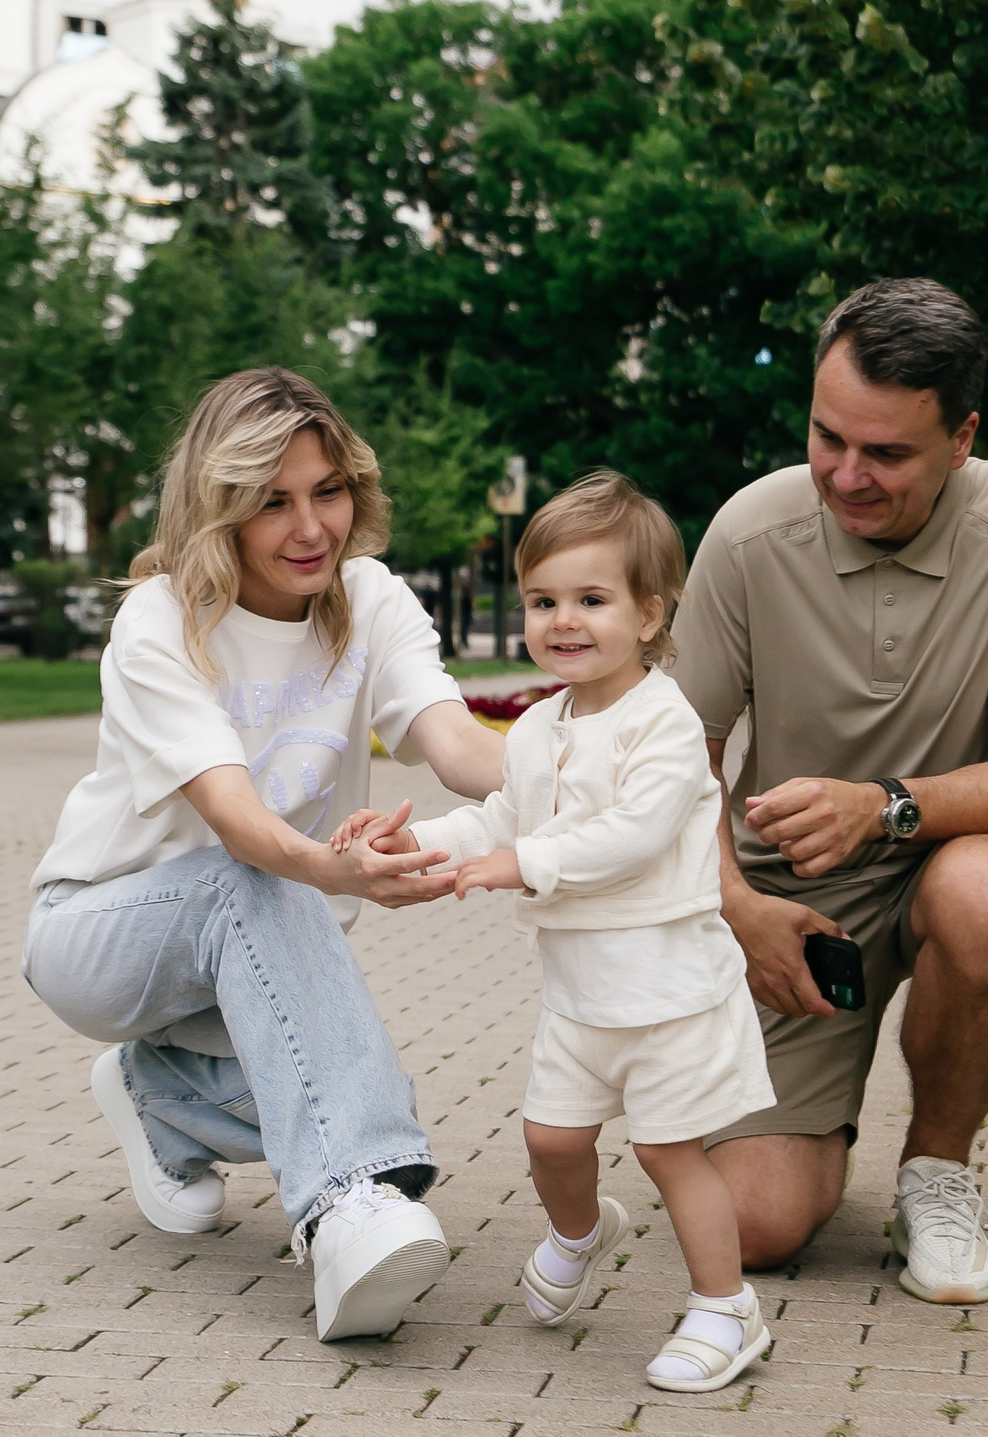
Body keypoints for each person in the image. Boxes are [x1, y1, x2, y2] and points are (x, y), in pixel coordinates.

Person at [20, 368, 508, 1343]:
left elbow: (459, 747)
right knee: (263, 890)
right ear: (218, 511)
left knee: (350, 1089)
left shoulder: (367, 600)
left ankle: (157, 1099)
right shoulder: (160, 620)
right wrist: (332, 867)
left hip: (247, 959)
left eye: (327, 492)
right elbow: (240, 824)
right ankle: (349, 1207)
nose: (310, 528)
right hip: (97, 934)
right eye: (271, 502)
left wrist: (602, 780)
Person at [671, 278, 988, 1299]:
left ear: (962, 438)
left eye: (887, 454)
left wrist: (887, 806)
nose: (846, 476)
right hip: (791, 890)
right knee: (757, 1227)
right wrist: (735, 907)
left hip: (951, 849)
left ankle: (936, 1176)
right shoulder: (745, 533)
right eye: (828, 438)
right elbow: (679, 760)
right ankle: (802, 1121)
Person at [333, 473, 776, 1393]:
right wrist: (420, 841)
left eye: (591, 599)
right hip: (582, 997)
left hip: (671, 995)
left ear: (651, 614)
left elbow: (633, 837)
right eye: (543, 600)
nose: (562, 620)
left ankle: (726, 1307)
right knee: (550, 1139)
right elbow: (500, 817)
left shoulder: (666, 723)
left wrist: (523, 862)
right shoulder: (539, 725)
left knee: (667, 1149)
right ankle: (580, 1231)